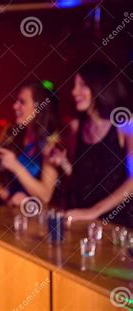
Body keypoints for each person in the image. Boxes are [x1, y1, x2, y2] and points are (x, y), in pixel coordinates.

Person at [50, 62, 133, 227]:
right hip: (83, 220)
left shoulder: (125, 125)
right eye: (74, 86)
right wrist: (65, 164)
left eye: (83, 85)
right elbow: (87, 178)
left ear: (100, 86)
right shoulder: (77, 127)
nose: (74, 91)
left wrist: (93, 211)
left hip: (117, 225)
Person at [0, 82, 60, 207]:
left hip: (30, 215)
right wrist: (9, 198)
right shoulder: (11, 132)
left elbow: (45, 195)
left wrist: (15, 166)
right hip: (0, 207)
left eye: (22, 102)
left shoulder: (51, 142)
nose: (15, 106)